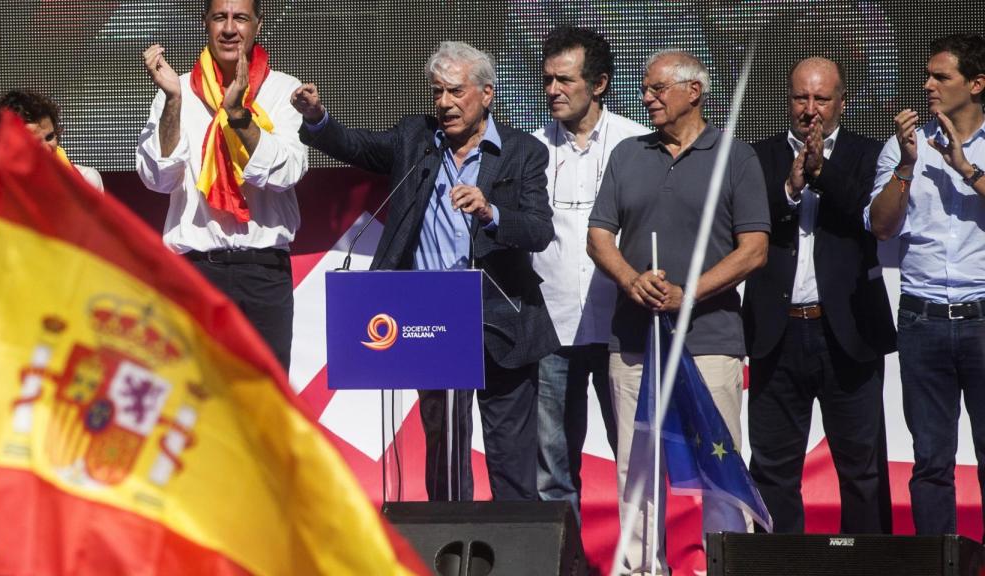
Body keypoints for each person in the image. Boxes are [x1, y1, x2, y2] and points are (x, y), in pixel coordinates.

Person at [294, 41, 558, 502]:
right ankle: (451, 557)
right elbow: (356, 145)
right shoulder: (417, 139)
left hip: (503, 320)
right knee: (444, 457)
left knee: (512, 461)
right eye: (437, 92)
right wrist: (318, 118)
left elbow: (538, 230)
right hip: (430, 322)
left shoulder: (522, 152)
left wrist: (491, 211)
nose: (444, 103)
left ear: (487, 94)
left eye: (455, 92)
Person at [587, 50, 769, 575]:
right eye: (646, 89)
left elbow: (753, 248)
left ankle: (727, 566)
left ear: (694, 91)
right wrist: (631, 280)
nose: (647, 98)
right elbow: (600, 236)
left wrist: (688, 294)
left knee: (721, 467)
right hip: (635, 343)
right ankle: (641, 570)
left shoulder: (735, 157)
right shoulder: (627, 154)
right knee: (637, 469)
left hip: (710, 341)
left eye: (658, 88)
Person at [742, 57, 896, 534]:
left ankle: (868, 567)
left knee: (861, 469)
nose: (810, 110)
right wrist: (790, 188)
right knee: (772, 468)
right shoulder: (758, 156)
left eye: (822, 99)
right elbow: (746, 228)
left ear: (843, 104)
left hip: (847, 330)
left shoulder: (871, 154)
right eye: (801, 98)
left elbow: (870, 219)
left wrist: (821, 172)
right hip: (777, 330)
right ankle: (781, 564)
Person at [136, 0, 308, 371]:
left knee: (265, 407)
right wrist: (172, 102)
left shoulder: (282, 91)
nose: (229, 28)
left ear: (258, 26)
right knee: (197, 405)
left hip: (264, 275)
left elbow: (286, 173)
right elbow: (158, 177)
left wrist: (238, 117)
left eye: (240, 18)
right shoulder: (176, 88)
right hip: (197, 272)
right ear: (205, 24)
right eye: (220, 17)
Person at [866, 33, 985, 537]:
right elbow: (881, 226)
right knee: (931, 462)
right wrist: (908, 168)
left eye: (942, 77)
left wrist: (967, 169)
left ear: (977, 84)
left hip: (982, 316)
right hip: (922, 318)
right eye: (928, 75)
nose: (928, 85)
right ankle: (943, 563)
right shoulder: (902, 147)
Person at [532, 26, 649, 522]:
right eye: (547, 80)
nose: (553, 90)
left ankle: (640, 562)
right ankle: (566, 562)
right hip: (552, 326)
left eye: (565, 80)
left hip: (622, 327)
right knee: (553, 468)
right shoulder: (530, 149)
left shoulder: (637, 144)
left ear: (598, 83)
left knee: (635, 460)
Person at [0, 90, 103, 249]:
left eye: (49, 137)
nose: (46, 149)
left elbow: (97, 252)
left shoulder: (86, 180)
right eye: (34, 143)